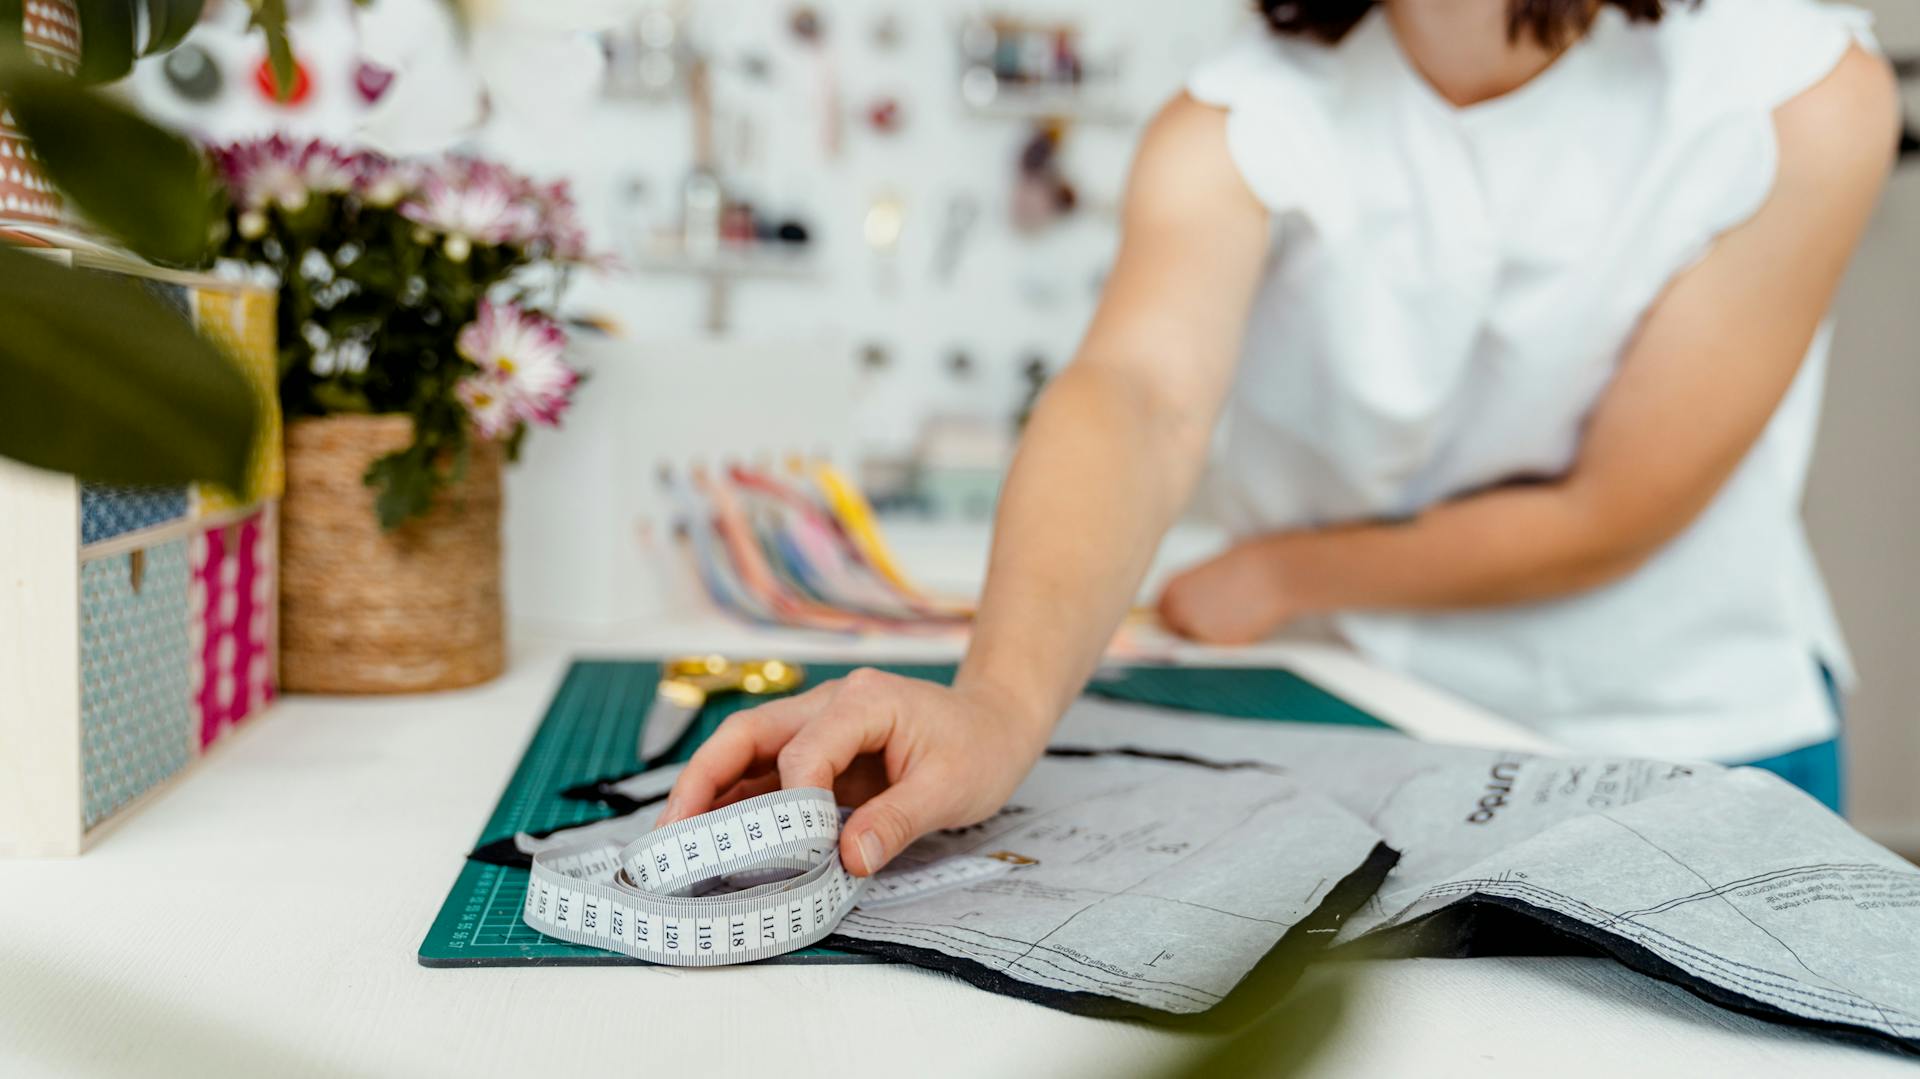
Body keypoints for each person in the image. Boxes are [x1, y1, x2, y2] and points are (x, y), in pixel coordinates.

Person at [662, 0, 1900, 875]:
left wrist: (1287, 571)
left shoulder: (1796, 92)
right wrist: (993, 706)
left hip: (1698, 736)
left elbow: (1611, 509)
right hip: (1369, 727)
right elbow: (1135, 393)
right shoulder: (1242, 113)